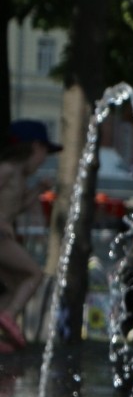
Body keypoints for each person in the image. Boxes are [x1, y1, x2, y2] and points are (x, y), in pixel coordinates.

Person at [0, 120, 59, 352]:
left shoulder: (20, 178)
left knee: (15, 283)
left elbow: (16, 207)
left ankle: (4, 323)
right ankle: (8, 316)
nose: (44, 160)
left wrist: (37, 191)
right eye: (44, 152)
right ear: (34, 147)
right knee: (34, 273)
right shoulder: (6, 169)